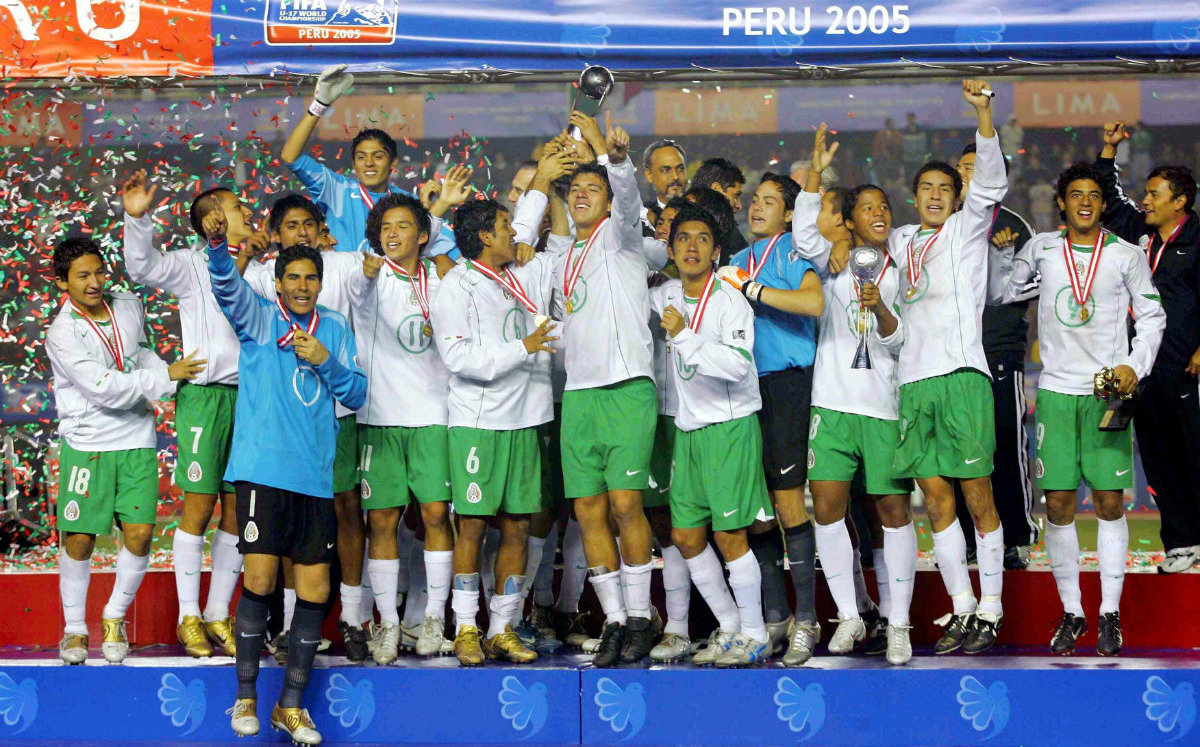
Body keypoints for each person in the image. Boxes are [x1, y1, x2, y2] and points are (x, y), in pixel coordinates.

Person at [204, 206, 366, 745]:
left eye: (310, 278)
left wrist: (325, 359)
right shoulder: (259, 318)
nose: (301, 286)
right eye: (292, 278)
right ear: (277, 284)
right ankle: (246, 695)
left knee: (316, 588)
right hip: (261, 473)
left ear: (321, 283)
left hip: (314, 479)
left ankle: (290, 706)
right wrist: (217, 250)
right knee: (260, 580)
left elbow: (357, 394)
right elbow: (227, 289)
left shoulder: (335, 329)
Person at [998, 162, 1164, 656]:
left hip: (1108, 391)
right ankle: (1072, 612)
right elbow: (1004, 291)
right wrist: (1001, 253)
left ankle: (1110, 613)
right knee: (1058, 505)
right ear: (1062, 204)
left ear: (1103, 203)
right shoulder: (1041, 249)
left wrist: (1136, 365)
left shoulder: (1126, 255)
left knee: (1111, 502)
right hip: (1054, 391)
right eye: (1076, 194)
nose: (1086, 201)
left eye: (1094, 194)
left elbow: (1153, 316)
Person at [886, 80, 1008, 655]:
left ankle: (992, 605)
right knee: (934, 499)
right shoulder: (902, 240)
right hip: (912, 382)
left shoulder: (967, 230)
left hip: (962, 376)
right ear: (915, 197)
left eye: (945, 188)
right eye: (927, 188)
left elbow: (990, 179)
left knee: (976, 493)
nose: (935, 196)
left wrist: (983, 113)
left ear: (957, 196)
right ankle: (960, 606)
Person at [791, 125, 918, 666]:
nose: (879, 213)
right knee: (827, 508)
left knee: (892, 510)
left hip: (883, 405)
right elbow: (802, 235)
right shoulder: (833, 261)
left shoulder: (904, 267)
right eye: (867, 207)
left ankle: (899, 623)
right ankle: (848, 616)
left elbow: (901, 337)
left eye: (884, 206)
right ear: (850, 220)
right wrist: (814, 174)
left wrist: (882, 307)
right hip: (833, 405)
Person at [48, 237, 205, 665]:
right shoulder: (62, 333)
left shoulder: (129, 304)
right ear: (63, 282)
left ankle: (115, 616)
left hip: (136, 437)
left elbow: (137, 356)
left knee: (139, 535)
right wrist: (164, 378)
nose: (96, 282)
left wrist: (174, 375)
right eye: (83, 276)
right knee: (79, 539)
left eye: (99, 271)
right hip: (88, 444)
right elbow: (102, 388)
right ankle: (75, 629)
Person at [121, 171, 257, 658]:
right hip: (203, 396)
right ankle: (188, 616)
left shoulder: (261, 268)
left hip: (249, 398)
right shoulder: (187, 265)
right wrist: (137, 218)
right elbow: (140, 267)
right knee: (198, 508)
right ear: (213, 219)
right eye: (238, 208)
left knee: (238, 511)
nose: (246, 213)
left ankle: (218, 612)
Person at [552, 112, 661, 666]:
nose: (581, 196)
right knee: (589, 511)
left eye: (590, 189)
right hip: (580, 396)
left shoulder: (623, 241)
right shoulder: (560, 258)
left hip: (626, 390)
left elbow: (626, 199)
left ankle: (642, 616)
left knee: (624, 504)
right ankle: (615, 620)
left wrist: (609, 157)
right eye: (575, 189)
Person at [431, 199, 557, 666]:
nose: (515, 234)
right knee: (474, 526)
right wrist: (522, 348)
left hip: (521, 420)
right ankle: (466, 627)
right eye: (506, 228)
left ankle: (502, 628)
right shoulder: (455, 287)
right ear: (485, 236)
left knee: (519, 527)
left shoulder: (514, 276)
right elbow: (460, 359)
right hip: (477, 423)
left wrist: (545, 181)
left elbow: (530, 227)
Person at [653, 203, 773, 666]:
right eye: (683, 238)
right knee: (685, 536)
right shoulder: (665, 295)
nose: (692, 247)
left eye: (702, 239)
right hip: (689, 431)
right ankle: (728, 627)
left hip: (729, 428)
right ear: (671, 248)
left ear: (717, 252)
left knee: (730, 537)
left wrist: (684, 337)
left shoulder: (728, 300)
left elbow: (738, 365)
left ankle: (756, 632)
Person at [722, 169, 825, 666]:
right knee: (757, 511)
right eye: (754, 200)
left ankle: (807, 619)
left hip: (786, 385)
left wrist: (754, 292)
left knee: (787, 505)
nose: (756, 207)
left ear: (788, 213)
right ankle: (775, 615)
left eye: (768, 201)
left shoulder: (789, 252)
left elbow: (813, 301)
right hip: (743, 391)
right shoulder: (736, 261)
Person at [352, 192, 455, 664]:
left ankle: (433, 619)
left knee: (436, 515)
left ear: (422, 235)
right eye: (385, 227)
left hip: (434, 414)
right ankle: (389, 625)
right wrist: (366, 274)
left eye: (402, 227)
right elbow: (358, 292)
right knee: (381, 522)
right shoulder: (369, 276)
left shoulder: (441, 278)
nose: (392, 234)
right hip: (380, 417)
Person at [1094, 122, 1200, 574]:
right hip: (1145, 367)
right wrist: (1109, 148)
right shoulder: (1140, 232)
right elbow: (1107, 199)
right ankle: (1181, 543)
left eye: (1155, 194)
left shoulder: (1197, 242)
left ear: (1180, 201)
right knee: (1157, 459)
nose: (1146, 199)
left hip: (1187, 367)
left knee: (1193, 454)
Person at [954, 143, 1040, 570]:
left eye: (977, 168)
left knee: (1006, 445)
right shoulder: (945, 225)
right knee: (959, 454)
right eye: (964, 168)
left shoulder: (1013, 226)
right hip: (952, 359)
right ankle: (970, 538)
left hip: (999, 353)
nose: (968, 176)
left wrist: (1005, 262)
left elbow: (1036, 284)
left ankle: (1019, 535)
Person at [280, 65, 453, 258]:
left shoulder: (406, 203)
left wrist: (426, 212)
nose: (369, 163)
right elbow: (290, 157)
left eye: (378, 156)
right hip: (343, 286)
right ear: (354, 164)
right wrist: (319, 104)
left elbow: (442, 249)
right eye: (361, 157)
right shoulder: (336, 189)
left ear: (393, 163)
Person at [642, 138, 689, 220]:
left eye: (680, 169)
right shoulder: (641, 219)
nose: (675, 177)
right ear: (649, 175)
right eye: (666, 170)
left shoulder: (704, 215)